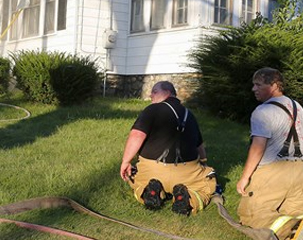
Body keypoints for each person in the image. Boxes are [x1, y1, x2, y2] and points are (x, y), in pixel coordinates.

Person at [120, 81, 216, 215]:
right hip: (187, 174)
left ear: (167, 92)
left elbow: (137, 135)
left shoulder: (152, 109)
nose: (150, 95)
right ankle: (188, 200)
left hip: (152, 171)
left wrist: (125, 161)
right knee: (206, 186)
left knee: (134, 177)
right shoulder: (190, 115)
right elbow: (199, 145)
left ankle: (151, 192)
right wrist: (204, 164)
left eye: (154, 91)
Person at [237, 68, 303, 239]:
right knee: (294, 211)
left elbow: (257, 148)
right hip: (300, 170)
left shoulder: (262, 112)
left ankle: (286, 231)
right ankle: (296, 230)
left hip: (274, 171)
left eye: (258, 84)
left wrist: (245, 177)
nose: (253, 89)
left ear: (274, 85)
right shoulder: (298, 107)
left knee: (250, 215)